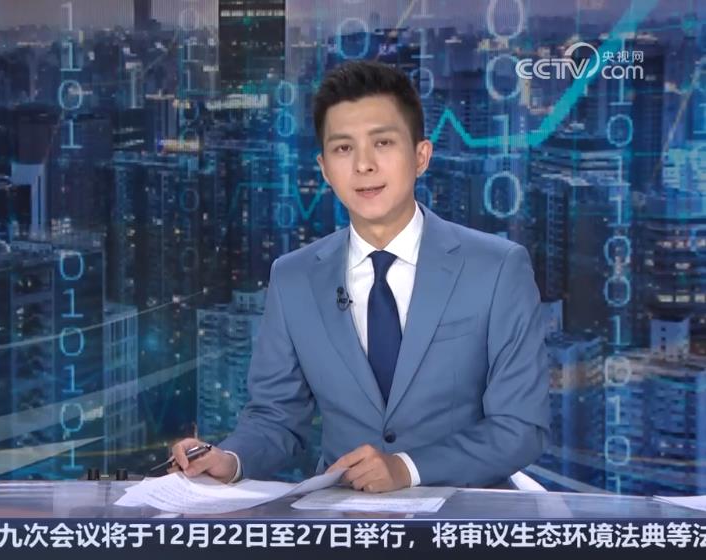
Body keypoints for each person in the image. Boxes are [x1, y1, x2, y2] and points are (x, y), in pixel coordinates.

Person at [169, 60, 550, 492]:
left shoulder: (496, 269)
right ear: (324, 168)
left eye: (382, 143)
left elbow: (521, 427)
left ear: (421, 156)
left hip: (465, 515)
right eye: (343, 149)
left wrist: (406, 468)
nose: (363, 165)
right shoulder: (293, 278)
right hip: (344, 515)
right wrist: (231, 460)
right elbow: (276, 419)